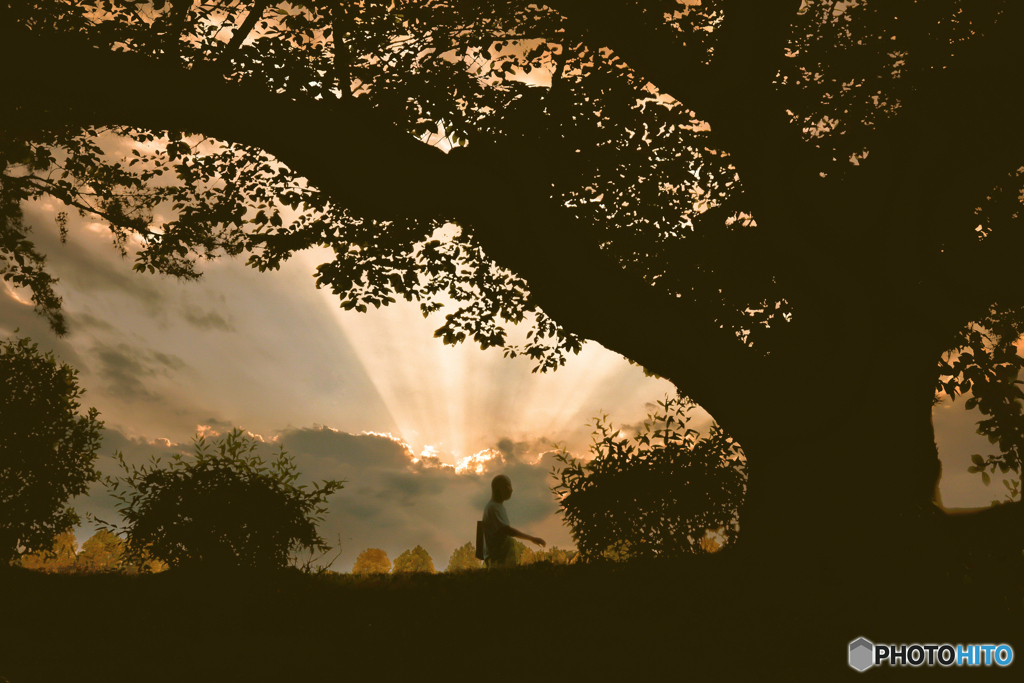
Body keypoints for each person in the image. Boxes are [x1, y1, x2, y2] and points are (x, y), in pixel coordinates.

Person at [481, 474, 545, 567]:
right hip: (498, 561)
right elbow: (507, 530)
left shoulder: (497, 506)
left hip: (502, 560)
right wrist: (532, 538)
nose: (511, 489)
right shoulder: (493, 508)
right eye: (507, 485)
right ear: (498, 488)